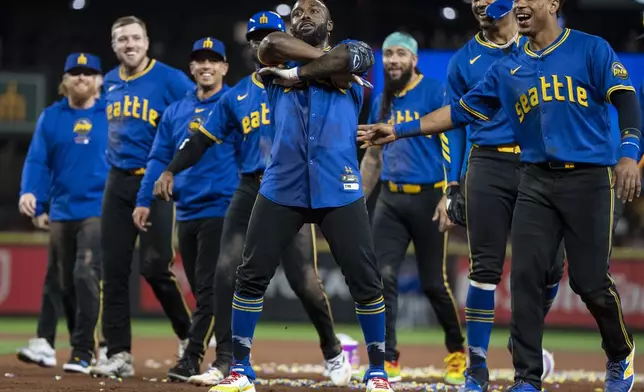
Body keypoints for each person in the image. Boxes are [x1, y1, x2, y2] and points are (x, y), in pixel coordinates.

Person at [358, 0, 639, 390]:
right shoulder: (506, 68)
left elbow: (625, 98)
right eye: (517, 1)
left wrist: (628, 153)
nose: (520, 6)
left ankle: (621, 353)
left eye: (528, 0)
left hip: (589, 180)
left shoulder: (590, 48)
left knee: (589, 283)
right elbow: (458, 113)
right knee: (522, 276)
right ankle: (526, 378)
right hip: (535, 179)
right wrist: (399, 131)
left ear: (552, 3)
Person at [156, 1, 390, 391]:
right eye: (297, 12)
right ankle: (239, 369)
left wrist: (298, 72)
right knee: (249, 276)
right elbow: (272, 47)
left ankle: (378, 372)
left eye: (314, 10)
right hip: (282, 184)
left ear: (330, 23)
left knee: (366, 279)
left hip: (340, 184)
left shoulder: (348, 54)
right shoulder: (272, 57)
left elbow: (353, 56)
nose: (304, 14)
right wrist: (331, 67)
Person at [433, 2, 563, 390]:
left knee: (552, 267)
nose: (478, 3)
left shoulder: (538, 45)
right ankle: (477, 368)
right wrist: (451, 184)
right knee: (484, 269)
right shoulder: (462, 61)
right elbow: (454, 124)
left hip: (538, 164)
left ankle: (523, 335)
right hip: (487, 164)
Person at [89, 15, 194, 378]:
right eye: (122, 39)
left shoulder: (171, 79)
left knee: (154, 265)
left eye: (135, 38)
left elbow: (198, 116)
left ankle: (188, 334)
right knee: (113, 271)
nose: (129, 44)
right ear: (114, 45)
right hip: (117, 183)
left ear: (147, 42)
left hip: (156, 183)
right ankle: (118, 353)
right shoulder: (109, 82)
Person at [359, 32, 466, 385]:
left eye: (400, 53)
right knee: (382, 276)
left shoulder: (435, 90)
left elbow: (452, 139)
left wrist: (449, 192)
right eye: (388, 53)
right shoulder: (383, 97)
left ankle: (456, 353)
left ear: (414, 59)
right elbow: (373, 156)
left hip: (428, 198)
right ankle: (387, 358)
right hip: (389, 199)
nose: (392, 60)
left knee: (434, 284)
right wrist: (356, 202)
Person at [132, 37, 237, 382]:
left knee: (208, 288)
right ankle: (227, 356)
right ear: (191, 68)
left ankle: (193, 358)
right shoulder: (175, 111)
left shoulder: (235, 103)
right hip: (187, 211)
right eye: (200, 61)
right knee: (204, 289)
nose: (206, 66)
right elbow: (158, 158)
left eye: (213, 61)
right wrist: (144, 200)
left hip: (223, 208)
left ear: (224, 67)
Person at [18, 53, 107, 374]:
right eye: (75, 72)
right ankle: (51, 343)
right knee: (60, 281)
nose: (81, 77)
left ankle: (83, 351)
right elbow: (37, 161)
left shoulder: (113, 113)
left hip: (98, 209)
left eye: (88, 72)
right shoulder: (51, 117)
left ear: (99, 80)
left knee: (84, 273)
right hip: (62, 209)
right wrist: (32, 195)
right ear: (64, 81)